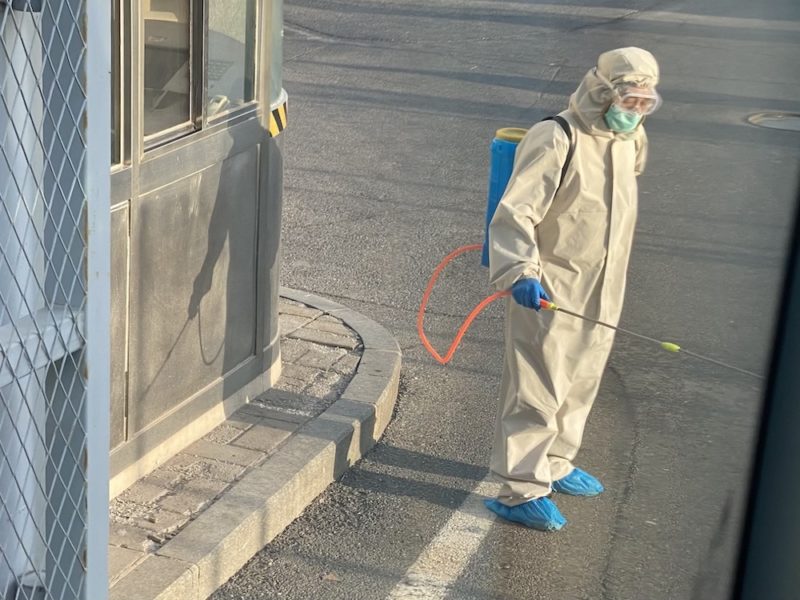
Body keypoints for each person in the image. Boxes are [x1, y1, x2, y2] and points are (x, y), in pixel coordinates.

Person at [486, 47, 661, 531]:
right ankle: (520, 489)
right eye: (629, 100)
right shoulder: (556, 137)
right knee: (538, 388)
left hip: (603, 287)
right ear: (602, 91)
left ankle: (557, 462)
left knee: (582, 379)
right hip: (550, 285)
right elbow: (516, 212)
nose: (635, 112)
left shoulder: (629, 141)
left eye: (646, 103)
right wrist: (522, 270)